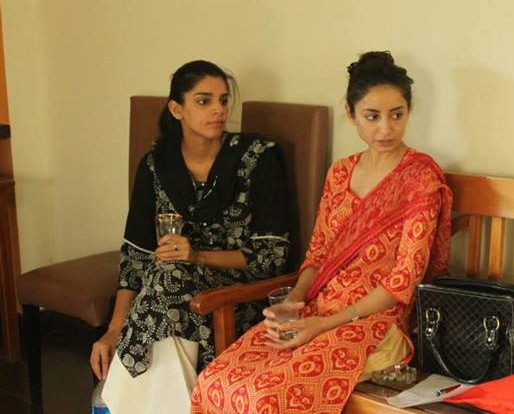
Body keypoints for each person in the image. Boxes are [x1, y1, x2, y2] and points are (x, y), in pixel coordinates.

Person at [190, 51, 452, 413]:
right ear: (350, 113)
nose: (386, 129)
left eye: (397, 115)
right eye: (372, 116)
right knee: (216, 380)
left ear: (409, 111)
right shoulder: (340, 173)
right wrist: (294, 301)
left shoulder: (420, 177)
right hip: (318, 306)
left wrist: (323, 325)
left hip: (375, 321)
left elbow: (403, 282)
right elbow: (318, 254)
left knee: (267, 397)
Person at [89, 60, 290, 414]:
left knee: (168, 278)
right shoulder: (155, 165)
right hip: (168, 294)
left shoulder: (257, 159)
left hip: (237, 295)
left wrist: (196, 256)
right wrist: (113, 330)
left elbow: (272, 256)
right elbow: (137, 254)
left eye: (223, 100)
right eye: (203, 101)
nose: (218, 110)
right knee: (167, 278)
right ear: (176, 109)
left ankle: (116, 399)